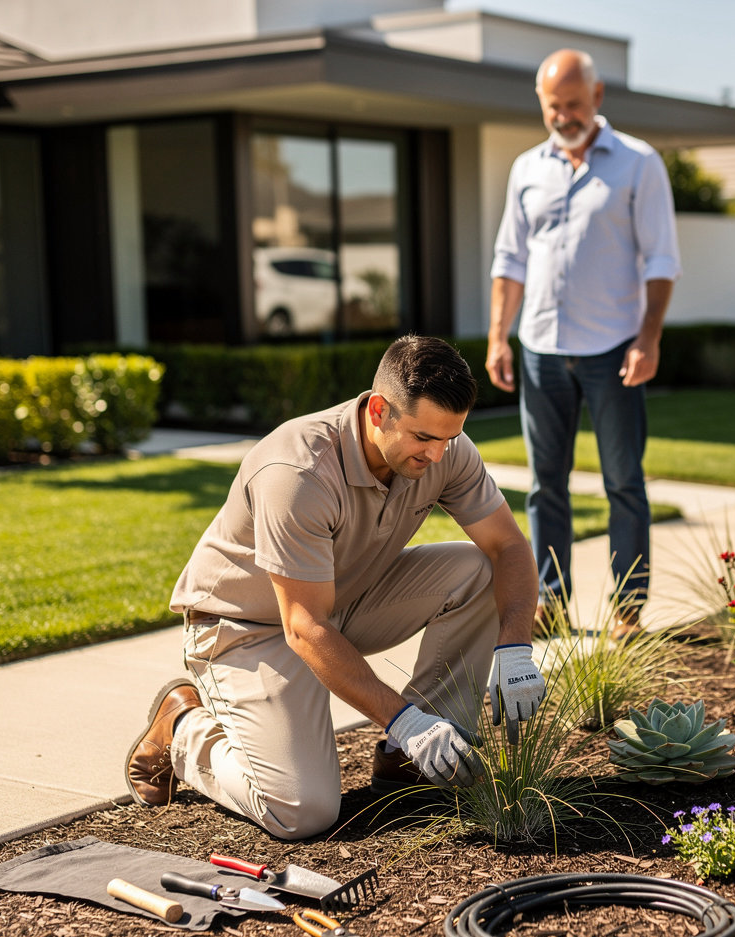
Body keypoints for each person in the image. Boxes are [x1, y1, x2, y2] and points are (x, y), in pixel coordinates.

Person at [125, 335, 545, 840]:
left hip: (342, 600)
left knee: (478, 570)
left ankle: (413, 762)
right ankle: (182, 730)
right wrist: (404, 719)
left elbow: (508, 547)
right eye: (423, 438)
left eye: (449, 438)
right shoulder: (297, 471)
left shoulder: (443, 448)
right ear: (378, 411)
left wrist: (515, 646)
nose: (438, 454)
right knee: (302, 811)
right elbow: (303, 626)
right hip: (247, 628)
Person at [486, 48, 681, 640]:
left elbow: (661, 259)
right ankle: (551, 601)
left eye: (573, 104)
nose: (563, 116)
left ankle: (628, 611)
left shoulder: (639, 164)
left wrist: (648, 338)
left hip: (614, 350)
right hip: (541, 349)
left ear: (597, 97)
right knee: (546, 485)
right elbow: (510, 258)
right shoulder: (527, 168)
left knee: (623, 483)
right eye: (553, 106)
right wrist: (498, 337)